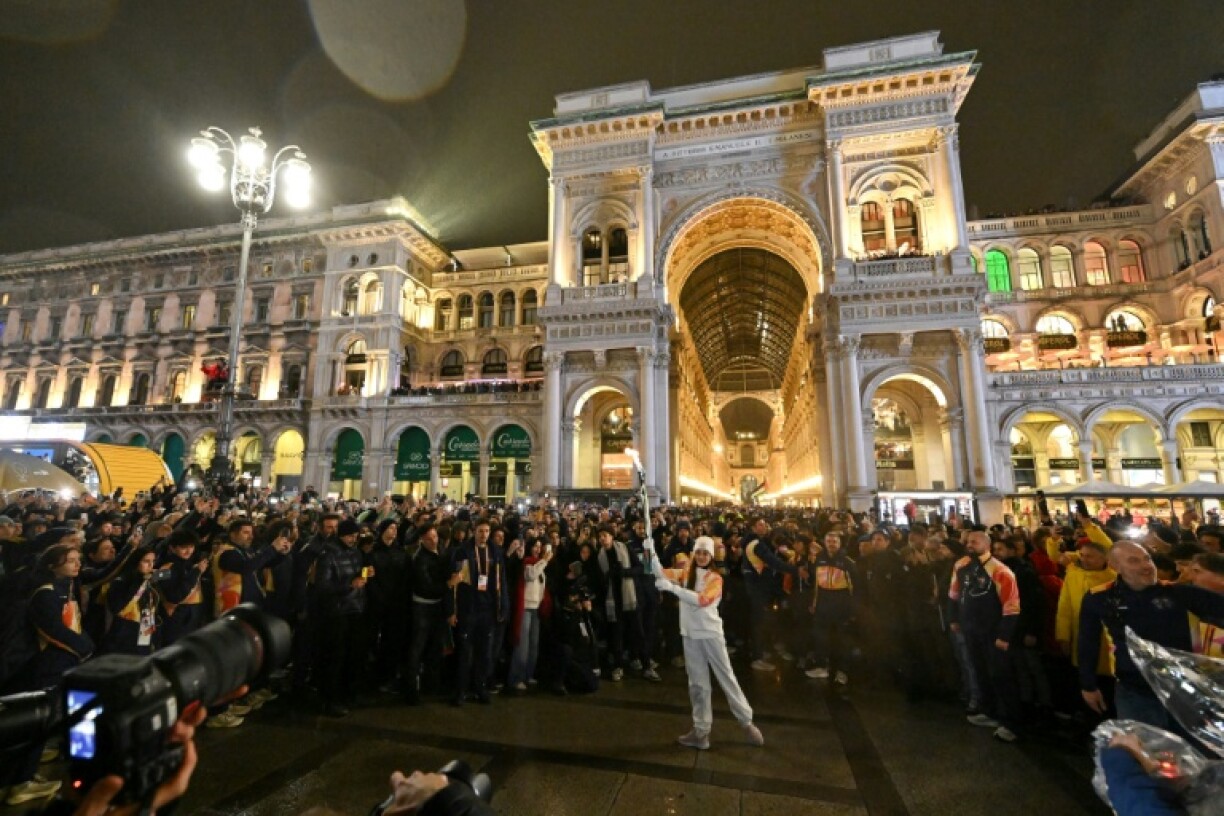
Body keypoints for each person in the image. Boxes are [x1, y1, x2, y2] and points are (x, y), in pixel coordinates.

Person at [1077, 540, 1224, 732]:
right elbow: (1088, 641)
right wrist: (1088, 685)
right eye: (1134, 561)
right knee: (1145, 754)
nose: (1146, 566)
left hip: (1182, 693)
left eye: (1147, 559)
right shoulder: (1099, 598)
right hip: (1136, 693)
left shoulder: (1177, 593)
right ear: (1115, 566)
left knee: (1191, 755)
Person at [652, 535, 763, 750]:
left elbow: (702, 600)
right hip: (690, 634)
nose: (702, 556)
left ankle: (746, 723)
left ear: (711, 556)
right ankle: (701, 732)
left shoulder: (715, 578)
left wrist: (672, 589)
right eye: (699, 552)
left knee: (726, 677)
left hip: (711, 633)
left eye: (706, 553)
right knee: (698, 684)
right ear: (694, 553)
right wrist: (651, 553)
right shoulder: (685, 573)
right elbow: (659, 572)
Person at [948, 529, 1022, 743]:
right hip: (970, 630)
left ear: (987, 545)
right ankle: (988, 711)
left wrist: (1004, 635)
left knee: (1001, 675)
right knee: (980, 671)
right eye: (968, 541)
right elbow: (953, 594)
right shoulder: (961, 566)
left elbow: (1011, 605)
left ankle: (1011, 722)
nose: (970, 545)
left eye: (975, 542)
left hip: (992, 632)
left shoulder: (1001, 571)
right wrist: (953, 619)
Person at [447, 519, 508, 705]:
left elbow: (501, 581)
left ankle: (480, 687)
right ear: (474, 531)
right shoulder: (462, 551)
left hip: (487, 608)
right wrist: (451, 610)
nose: (484, 534)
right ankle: (461, 691)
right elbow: (453, 582)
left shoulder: (495, 553)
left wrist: (502, 606)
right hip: (468, 608)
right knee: (465, 652)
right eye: (481, 531)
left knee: (484, 653)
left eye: (487, 531)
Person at [314, 518, 370, 716]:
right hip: (337, 611)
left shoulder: (356, 552)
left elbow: (357, 574)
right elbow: (322, 586)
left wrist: (365, 575)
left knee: (353, 655)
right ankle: (330, 699)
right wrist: (349, 585)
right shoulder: (328, 554)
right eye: (349, 536)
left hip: (355, 608)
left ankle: (349, 693)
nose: (352, 539)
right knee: (335, 657)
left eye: (355, 536)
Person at [404, 523, 448, 705]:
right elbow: (425, 586)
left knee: (435, 646)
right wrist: (447, 585)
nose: (433, 541)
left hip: (437, 606)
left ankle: (432, 684)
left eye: (435, 537)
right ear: (422, 539)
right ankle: (411, 689)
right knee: (417, 648)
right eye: (429, 539)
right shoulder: (420, 558)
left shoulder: (441, 551)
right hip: (422, 606)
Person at [805, 530, 855, 686]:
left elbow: (855, 587)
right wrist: (813, 603)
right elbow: (815, 584)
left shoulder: (848, 562)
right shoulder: (819, 560)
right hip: (823, 602)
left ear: (840, 544)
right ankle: (822, 666)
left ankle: (843, 670)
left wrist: (853, 609)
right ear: (824, 543)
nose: (831, 544)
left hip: (841, 603)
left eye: (834, 542)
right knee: (821, 636)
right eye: (829, 541)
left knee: (843, 639)